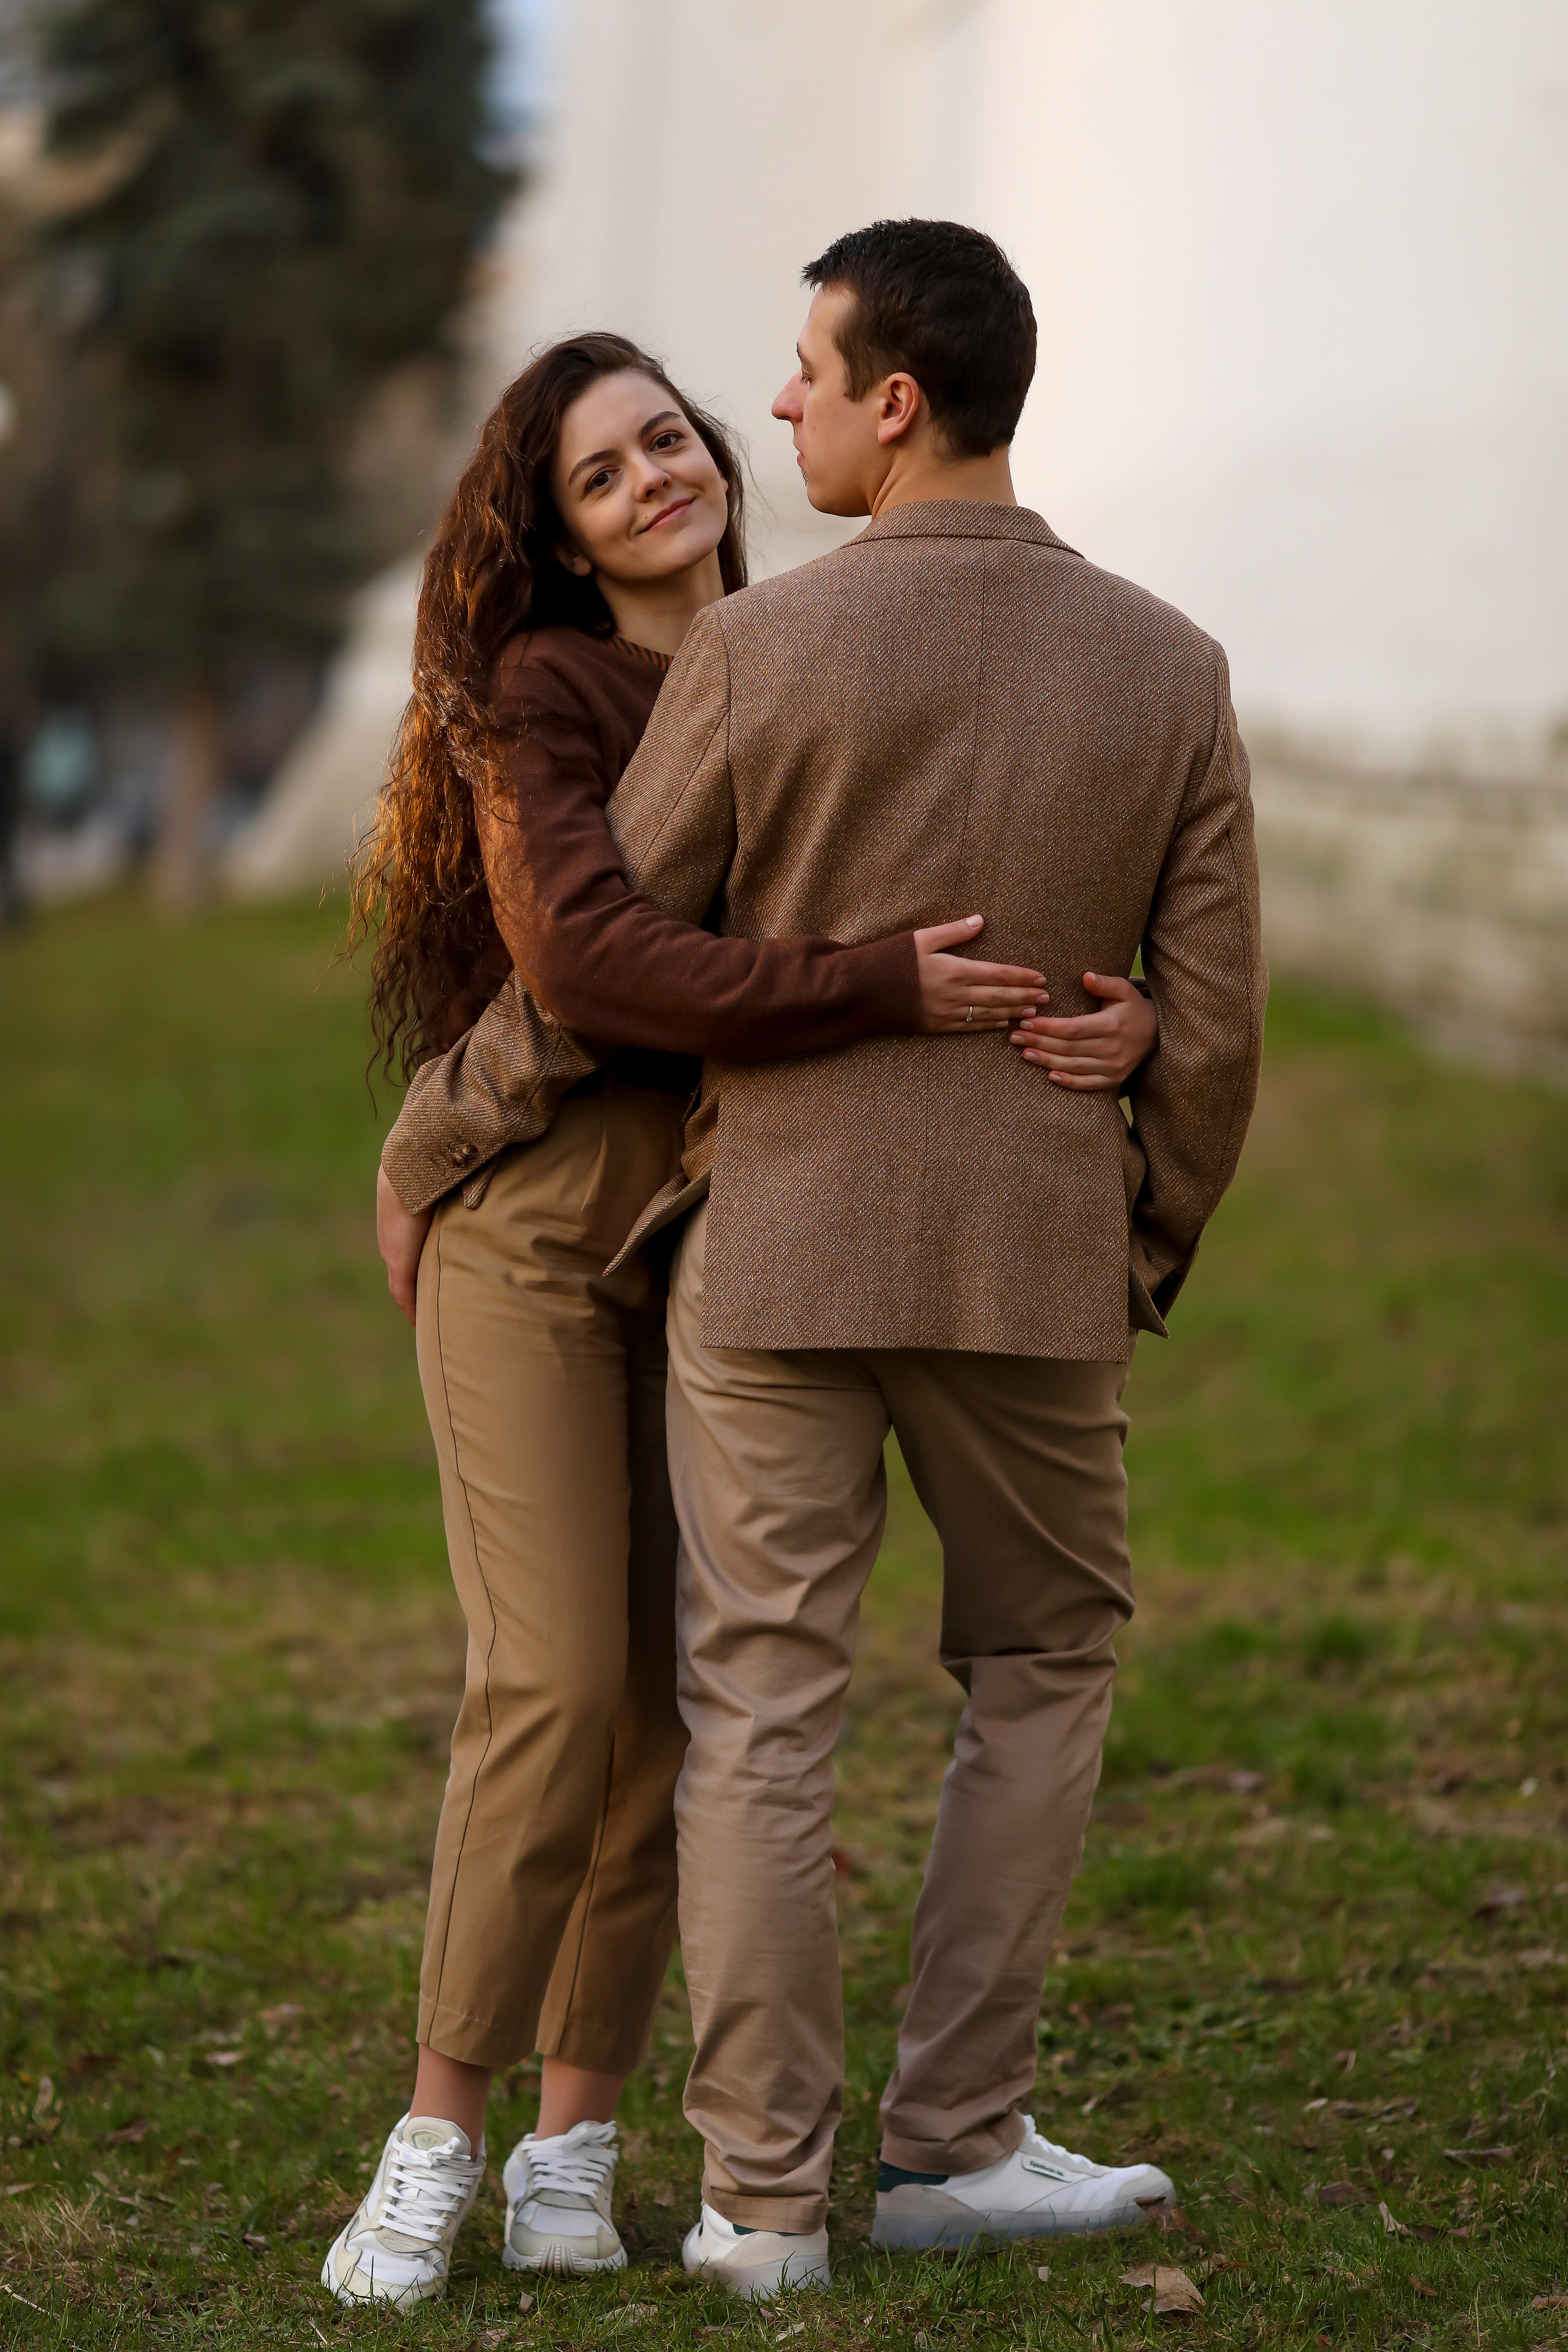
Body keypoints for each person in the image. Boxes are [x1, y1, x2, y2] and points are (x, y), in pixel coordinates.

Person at [432, 219, 1266, 2301]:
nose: (776, 404)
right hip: (1032, 1256)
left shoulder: (755, 650)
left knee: (757, 1708)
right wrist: (1142, 1209)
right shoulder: (1172, 663)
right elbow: (1220, 1016)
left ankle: (761, 2205)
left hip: (779, 1254)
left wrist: (443, 1124)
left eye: (809, 369)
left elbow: (627, 948)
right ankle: (960, 2140)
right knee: (1044, 1666)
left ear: (900, 401)